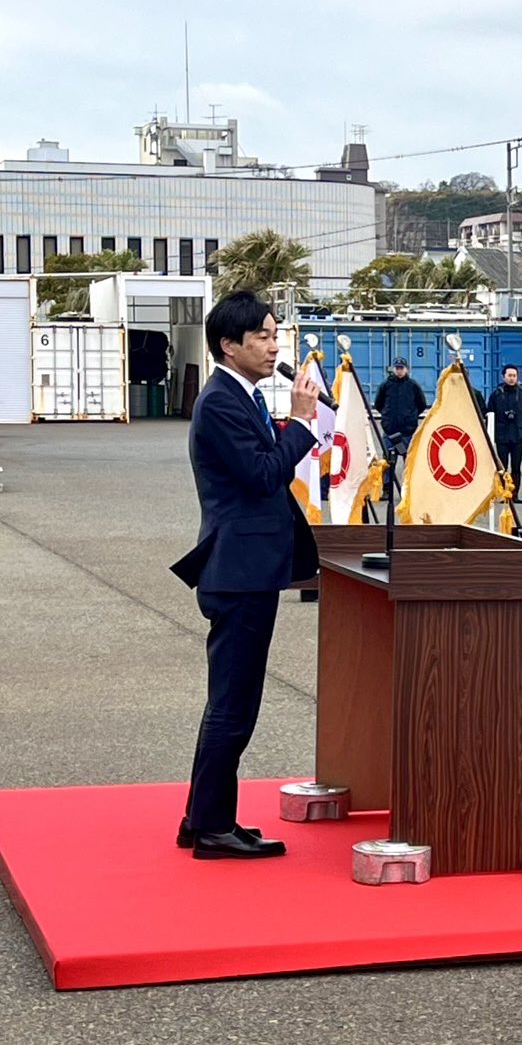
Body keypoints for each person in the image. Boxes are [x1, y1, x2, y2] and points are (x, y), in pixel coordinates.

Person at [169, 291, 320, 860]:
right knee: (233, 704)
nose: (273, 343)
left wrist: (292, 425)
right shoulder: (220, 403)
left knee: (233, 701)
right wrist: (301, 426)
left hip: (248, 568)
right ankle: (211, 827)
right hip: (238, 573)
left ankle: (204, 817)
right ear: (228, 345)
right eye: (260, 335)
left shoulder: (244, 396)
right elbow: (262, 477)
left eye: (275, 332)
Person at [487, 364, 522, 502]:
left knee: (516, 466)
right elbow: (489, 415)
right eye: (509, 375)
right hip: (501, 435)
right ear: (504, 377)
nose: (512, 378)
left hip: (518, 435)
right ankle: (504, 494)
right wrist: (488, 433)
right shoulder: (496, 394)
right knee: (502, 466)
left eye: (514, 376)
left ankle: (515, 494)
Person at [373, 357, 427, 456]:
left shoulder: (413, 386)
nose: (399, 371)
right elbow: (378, 404)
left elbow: (422, 404)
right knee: (388, 463)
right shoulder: (385, 385)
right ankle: (390, 472)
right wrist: (388, 416)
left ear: (406, 369)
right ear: (393, 369)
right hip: (390, 431)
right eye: (397, 368)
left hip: (407, 432)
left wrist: (411, 416)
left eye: (401, 368)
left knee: (409, 464)